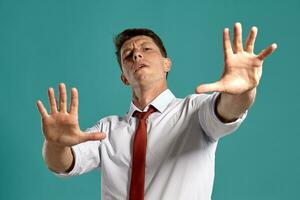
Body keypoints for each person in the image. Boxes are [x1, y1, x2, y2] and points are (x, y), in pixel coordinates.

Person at [36, 22, 277, 200]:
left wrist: (242, 91)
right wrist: (55, 143)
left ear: (166, 63)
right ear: (124, 78)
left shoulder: (194, 111)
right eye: (128, 56)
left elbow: (227, 110)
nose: (137, 54)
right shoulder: (106, 129)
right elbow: (63, 163)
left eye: (146, 49)